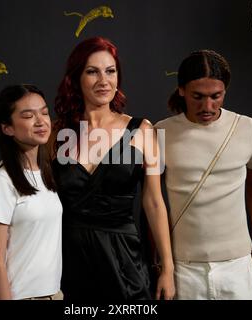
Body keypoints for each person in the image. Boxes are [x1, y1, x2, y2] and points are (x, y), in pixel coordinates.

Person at [51, 36, 175, 301]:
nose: (103, 80)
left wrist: (167, 267)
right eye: (92, 72)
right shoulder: (56, 133)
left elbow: (154, 202)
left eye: (110, 71)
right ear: (75, 78)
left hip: (124, 260)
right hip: (68, 260)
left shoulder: (143, 129)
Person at [155, 50, 252, 300]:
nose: (207, 106)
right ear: (181, 90)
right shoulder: (160, 133)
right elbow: (151, 200)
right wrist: (164, 264)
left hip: (240, 265)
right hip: (183, 268)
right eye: (198, 96)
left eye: (216, 96)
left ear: (225, 91)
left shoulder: (249, 129)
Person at [0, 84, 63, 300]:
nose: (41, 121)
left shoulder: (47, 175)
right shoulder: (1, 182)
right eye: (28, 116)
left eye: (44, 112)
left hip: (53, 295)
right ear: (7, 127)